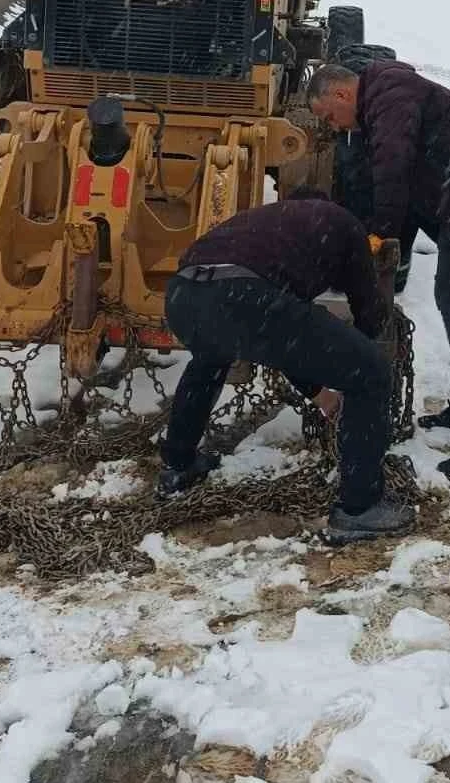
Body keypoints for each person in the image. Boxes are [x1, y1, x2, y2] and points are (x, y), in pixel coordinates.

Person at [308, 60, 450, 481]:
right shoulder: (378, 105)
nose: (334, 126)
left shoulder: (389, 94)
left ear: (342, 94)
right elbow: (407, 186)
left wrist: (380, 233)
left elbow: (393, 168)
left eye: (329, 116)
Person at [159, 192, 414, 543]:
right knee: (370, 373)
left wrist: (318, 392)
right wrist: (365, 350)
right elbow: (366, 314)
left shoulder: (266, 225)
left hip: (182, 296)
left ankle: (178, 464)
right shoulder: (343, 224)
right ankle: (360, 508)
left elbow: (287, 338)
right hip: (240, 295)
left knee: (209, 357)